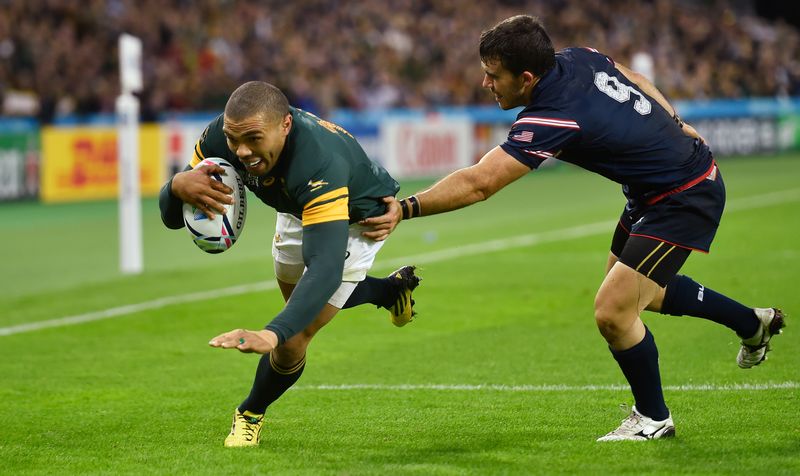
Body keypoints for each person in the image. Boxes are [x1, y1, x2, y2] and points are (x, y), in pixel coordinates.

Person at [361, 15, 785, 441]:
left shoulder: (553, 116)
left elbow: (479, 183)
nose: (486, 84)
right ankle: (751, 323)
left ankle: (653, 419)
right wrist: (673, 120)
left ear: (526, 78)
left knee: (613, 312)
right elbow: (630, 75)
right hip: (653, 192)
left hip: (684, 196)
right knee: (643, 295)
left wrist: (405, 208)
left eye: (494, 76)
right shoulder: (578, 58)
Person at [158, 81, 421, 447]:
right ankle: (389, 290)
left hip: (355, 217)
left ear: (284, 125)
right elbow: (174, 217)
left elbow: (325, 269)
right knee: (301, 303)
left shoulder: (317, 162)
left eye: (253, 138)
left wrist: (271, 333)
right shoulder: (222, 136)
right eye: (235, 140)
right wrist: (174, 187)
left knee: (294, 337)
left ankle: (250, 412)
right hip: (295, 206)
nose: (242, 151)